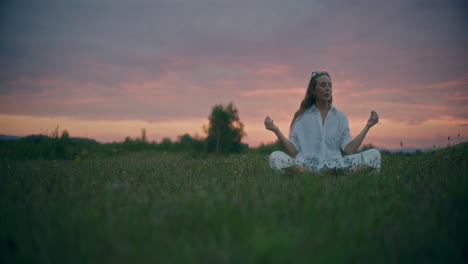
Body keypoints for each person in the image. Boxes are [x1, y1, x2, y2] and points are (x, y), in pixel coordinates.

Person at [264, 71, 381, 175]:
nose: (328, 88)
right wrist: (275, 130)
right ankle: (311, 174)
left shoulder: (340, 117)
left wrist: (368, 126)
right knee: (275, 157)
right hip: (307, 165)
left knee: (375, 154)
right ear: (314, 91)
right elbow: (293, 150)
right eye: (323, 85)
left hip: (336, 166)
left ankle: (346, 174)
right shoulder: (301, 117)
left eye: (330, 85)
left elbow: (350, 149)